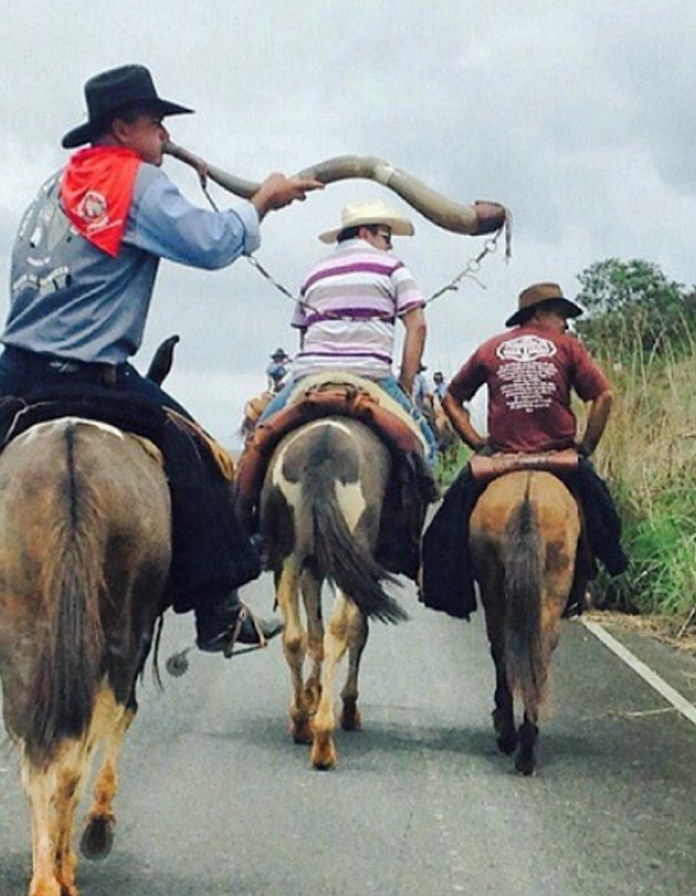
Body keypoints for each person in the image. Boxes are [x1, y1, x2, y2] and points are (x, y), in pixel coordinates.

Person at [0, 63, 322, 658]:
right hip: (95, 373)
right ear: (123, 128)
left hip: (20, 368)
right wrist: (263, 204)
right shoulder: (137, 183)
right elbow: (210, 244)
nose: (165, 138)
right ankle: (218, 612)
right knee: (198, 453)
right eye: (155, 124)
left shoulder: (53, 189)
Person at [421, 281, 628, 619]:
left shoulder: (490, 349)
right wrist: (586, 447)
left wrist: (477, 442)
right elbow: (603, 396)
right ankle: (601, 571)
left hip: (500, 458)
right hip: (558, 456)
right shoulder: (568, 347)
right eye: (561, 314)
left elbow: (452, 398)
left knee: (448, 524)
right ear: (539, 313)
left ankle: (442, 586)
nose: (566, 323)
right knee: (602, 512)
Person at [257, 201, 435, 457]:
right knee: (427, 446)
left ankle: (240, 497)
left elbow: (304, 335)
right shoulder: (393, 267)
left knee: (258, 436)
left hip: (310, 376)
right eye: (385, 237)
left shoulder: (314, 273)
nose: (390, 245)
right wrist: (406, 385)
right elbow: (417, 326)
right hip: (370, 375)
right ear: (364, 233)